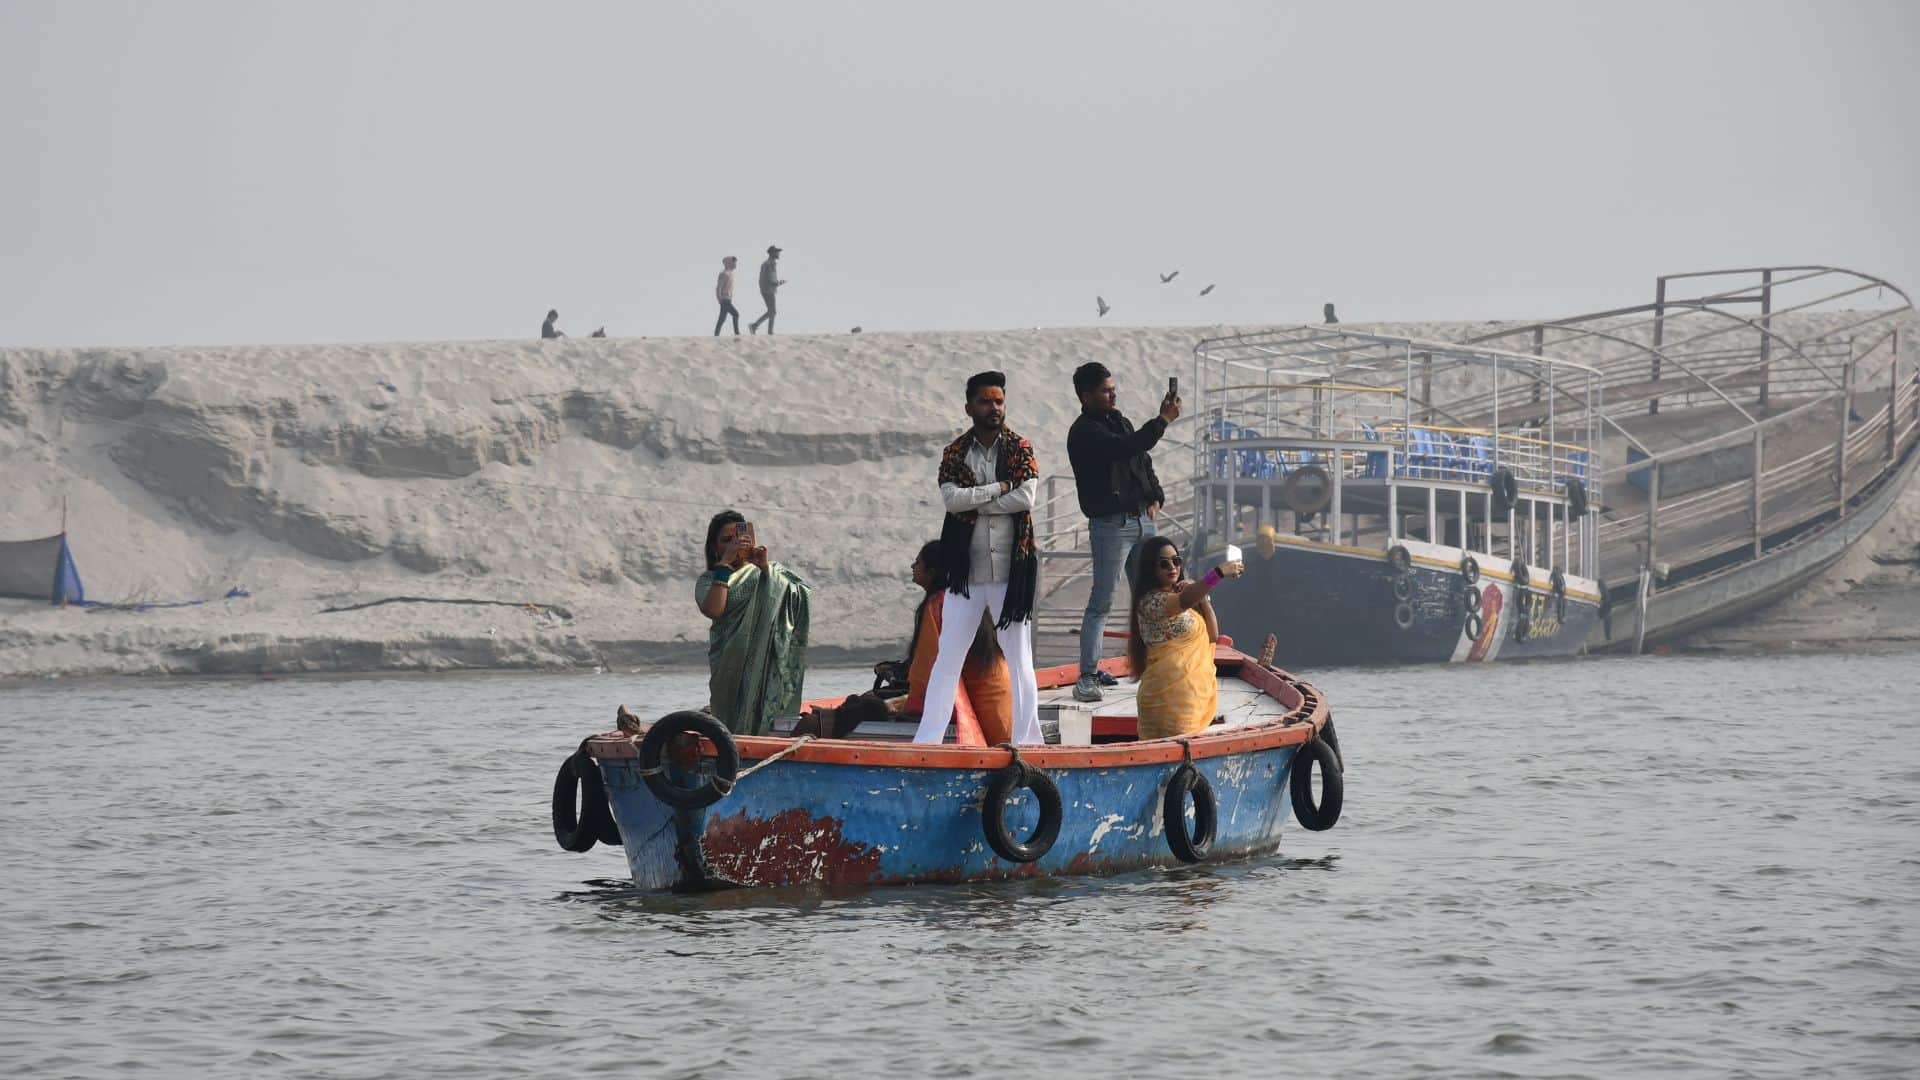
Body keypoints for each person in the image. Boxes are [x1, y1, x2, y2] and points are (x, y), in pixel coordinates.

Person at [913, 371, 1044, 745]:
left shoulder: (1020, 447)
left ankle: (1028, 742)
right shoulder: (955, 453)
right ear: (969, 406)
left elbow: (1026, 499)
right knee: (948, 658)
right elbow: (951, 501)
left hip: (1009, 571)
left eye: (999, 401)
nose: (994, 408)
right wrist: (1000, 489)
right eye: (986, 401)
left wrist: (978, 501)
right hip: (966, 574)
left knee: (1019, 659)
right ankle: (927, 741)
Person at [1066, 361, 1181, 702]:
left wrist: (1156, 496)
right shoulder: (1085, 431)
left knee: (1149, 598)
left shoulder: (1120, 421)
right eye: (1105, 390)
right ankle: (1087, 676)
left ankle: (1154, 667)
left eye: (1113, 388)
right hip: (1111, 525)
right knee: (1101, 601)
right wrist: (1162, 420)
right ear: (1086, 396)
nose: (1112, 394)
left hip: (1142, 520)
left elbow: (1142, 461)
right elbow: (1124, 448)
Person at [695, 510, 812, 736]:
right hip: (729, 666)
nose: (734, 545)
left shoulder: (768, 572)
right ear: (714, 547)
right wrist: (725, 565)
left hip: (767, 665)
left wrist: (766, 569)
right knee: (728, 720)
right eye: (726, 541)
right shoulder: (708, 580)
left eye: (738, 539)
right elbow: (714, 610)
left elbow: (800, 594)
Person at [891, 539, 1013, 744]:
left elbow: (927, 667)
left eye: (917, 562)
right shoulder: (966, 597)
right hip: (1001, 696)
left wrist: (911, 706)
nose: (912, 567)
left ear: (932, 572)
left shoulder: (938, 603)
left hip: (984, 703)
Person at [1127, 536, 1244, 741]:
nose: (1172, 567)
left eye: (1176, 561)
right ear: (1150, 569)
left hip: (1192, 700)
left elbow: (1212, 635)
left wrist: (1203, 601)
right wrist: (1217, 573)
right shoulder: (1152, 602)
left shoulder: (1180, 601)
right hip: (1167, 701)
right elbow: (1186, 598)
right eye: (1164, 563)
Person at [748, 245, 786, 335]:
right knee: (772, 311)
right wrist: (779, 283)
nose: (779, 253)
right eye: (777, 252)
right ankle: (763, 329)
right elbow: (771, 279)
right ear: (772, 253)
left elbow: (764, 278)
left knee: (771, 311)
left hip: (765, 289)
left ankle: (757, 326)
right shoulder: (770, 264)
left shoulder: (766, 263)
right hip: (769, 290)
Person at [714, 256, 741, 336]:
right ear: (729, 263)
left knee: (722, 319)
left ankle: (716, 335)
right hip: (724, 300)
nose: (736, 264)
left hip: (728, 299)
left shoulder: (730, 274)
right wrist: (719, 300)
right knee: (736, 314)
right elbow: (718, 287)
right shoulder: (724, 274)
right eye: (734, 262)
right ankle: (737, 333)